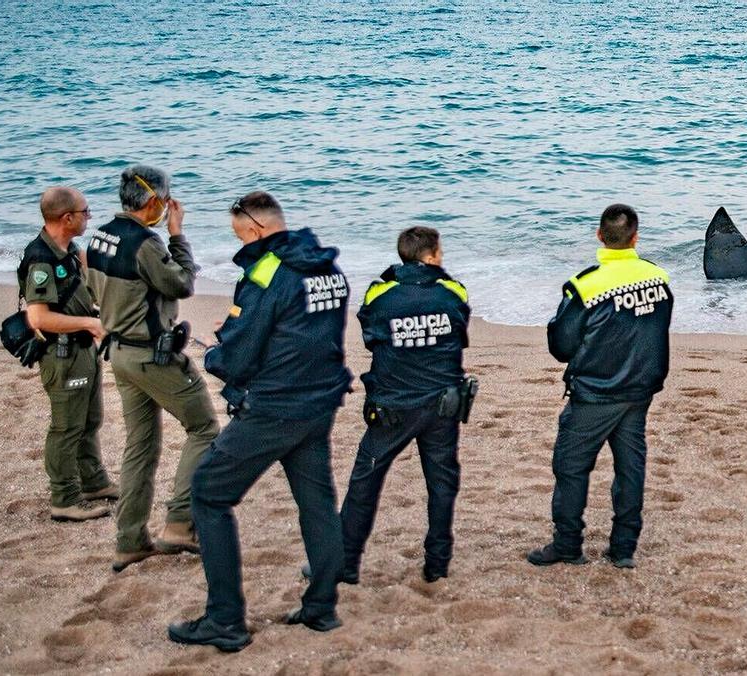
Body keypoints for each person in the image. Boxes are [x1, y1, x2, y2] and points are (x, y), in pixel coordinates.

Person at [168, 191, 352, 652]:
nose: (241, 243)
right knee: (317, 502)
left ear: (256, 229)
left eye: (240, 236)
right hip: (319, 402)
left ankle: (225, 620)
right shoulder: (327, 268)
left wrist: (214, 354)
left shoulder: (268, 273)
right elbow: (303, 335)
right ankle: (321, 607)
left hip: (275, 407)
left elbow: (240, 354)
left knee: (208, 493)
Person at [85, 165, 219, 572]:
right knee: (204, 428)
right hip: (150, 355)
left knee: (140, 445)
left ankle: (130, 541)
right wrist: (177, 234)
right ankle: (179, 523)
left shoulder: (100, 235)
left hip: (120, 352)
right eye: (165, 199)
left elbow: (93, 289)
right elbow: (181, 284)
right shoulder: (145, 242)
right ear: (154, 200)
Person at [319, 226, 470, 586]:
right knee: (442, 485)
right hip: (440, 404)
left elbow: (370, 334)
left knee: (365, 482)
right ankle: (437, 564)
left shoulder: (380, 294)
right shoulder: (452, 291)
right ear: (432, 256)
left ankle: (346, 563)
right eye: (439, 252)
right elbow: (460, 326)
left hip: (395, 405)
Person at [528, 204, 673, 569]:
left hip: (597, 392)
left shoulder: (586, 285)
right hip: (640, 389)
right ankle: (623, 549)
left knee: (570, 466)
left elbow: (561, 347)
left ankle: (567, 545)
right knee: (630, 467)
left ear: (599, 236)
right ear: (635, 238)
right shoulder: (658, 277)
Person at [19, 187, 116, 522]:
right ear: (67, 218)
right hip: (61, 354)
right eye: (85, 211)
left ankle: (93, 483)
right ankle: (64, 499)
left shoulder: (70, 249)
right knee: (66, 428)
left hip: (83, 348)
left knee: (89, 420)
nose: (89, 216)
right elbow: (39, 318)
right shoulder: (41, 259)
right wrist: (89, 322)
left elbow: (91, 285)